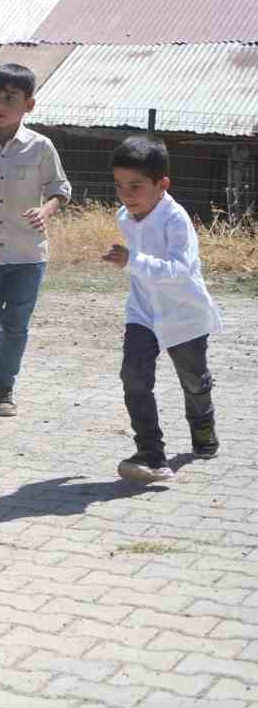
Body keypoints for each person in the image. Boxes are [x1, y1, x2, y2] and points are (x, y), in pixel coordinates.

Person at [102, 134, 222, 483]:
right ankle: (151, 454)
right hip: (143, 313)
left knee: (194, 381)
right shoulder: (125, 216)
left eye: (136, 186)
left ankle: (203, 426)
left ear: (162, 184)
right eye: (119, 185)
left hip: (183, 314)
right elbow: (139, 269)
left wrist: (131, 260)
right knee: (133, 377)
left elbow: (179, 271)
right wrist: (130, 262)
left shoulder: (176, 219)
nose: (126, 195)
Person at [0, 64, 72, 417]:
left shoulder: (41, 147)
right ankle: (3, 353)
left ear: (29, 104)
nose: (0, 104)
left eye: (10, 98)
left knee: (17, 325)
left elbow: (60, 189)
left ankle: (4, 387)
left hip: (28, 253)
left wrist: (47, 209)